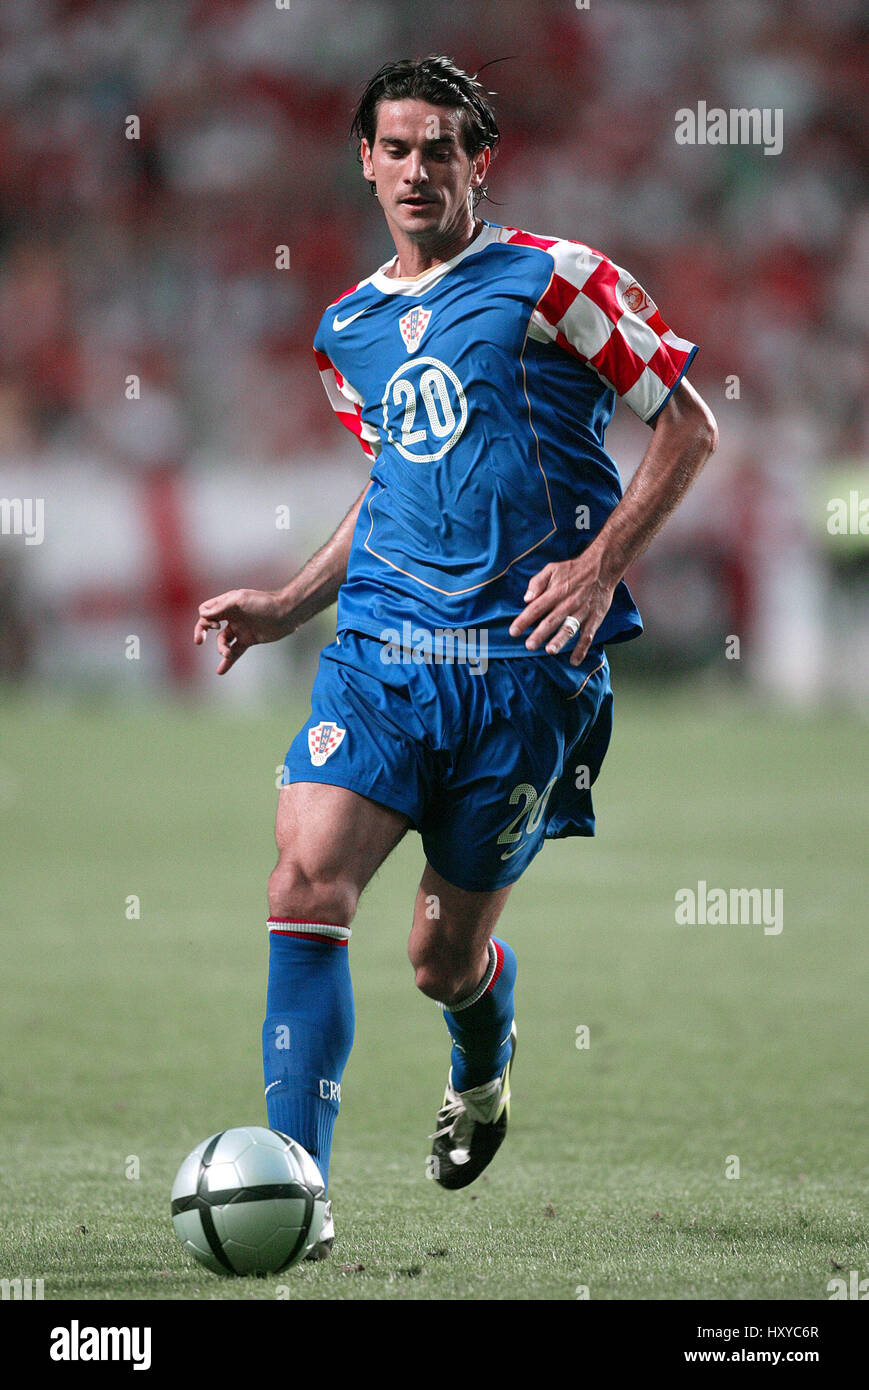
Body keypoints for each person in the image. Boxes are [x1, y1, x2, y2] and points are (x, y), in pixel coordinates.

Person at [193, 55, 718, 1260]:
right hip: (378, 654)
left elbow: (686, 429)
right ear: (364, 163)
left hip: (522, 671)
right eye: (396, 148)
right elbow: (392, 483)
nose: (417, 169)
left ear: (481, 160)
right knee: (303, 881)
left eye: (441, 148)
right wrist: (288, 602)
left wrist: (598, 567)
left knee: (440, 959)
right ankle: (300, 1188)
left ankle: (482, 1064)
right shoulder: (347, 330)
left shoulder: (556, 278)